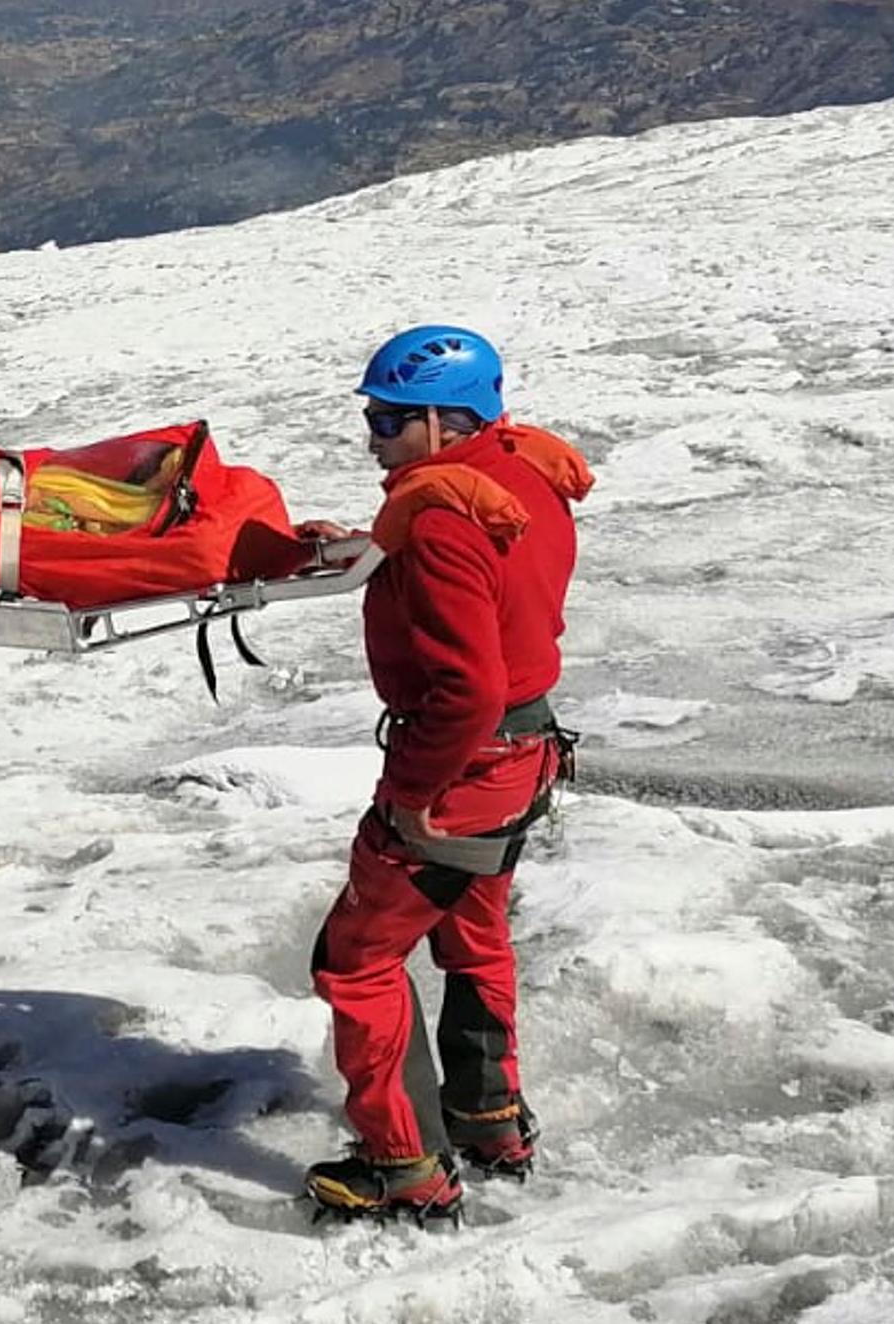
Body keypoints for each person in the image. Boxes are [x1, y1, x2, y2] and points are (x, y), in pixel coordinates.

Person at [301, 325, 593, 1220]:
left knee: (356, 960)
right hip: (526, 755)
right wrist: (366, 545)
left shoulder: (436, 521)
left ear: (441, 418)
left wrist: (412, 799)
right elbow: (487, 569)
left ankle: (401, 1167)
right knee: (473, 937)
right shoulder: (518, 472)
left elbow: (466, 688)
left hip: (464, 767)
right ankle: (488, 1116)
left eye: (389, 422)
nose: (374, 439)